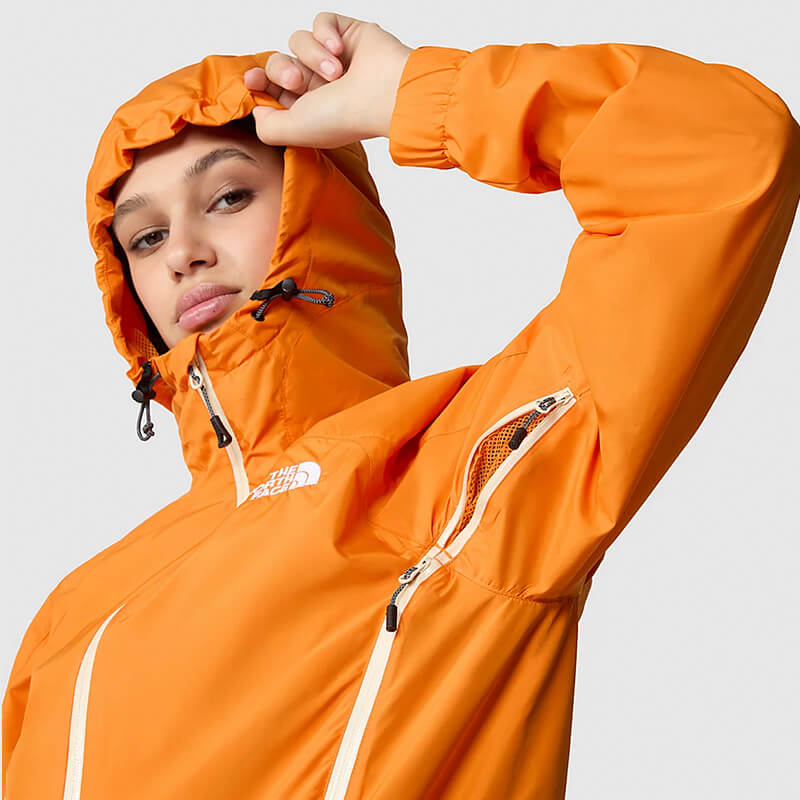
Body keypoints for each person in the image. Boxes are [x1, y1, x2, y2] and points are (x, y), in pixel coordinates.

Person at [3, 11, 799, 800]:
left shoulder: (464, 481)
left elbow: (724, 155)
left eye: (229, 196)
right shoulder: (74, 615)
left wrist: (420, 94)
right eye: (145, 239)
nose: (182, 252)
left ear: (323, 215)